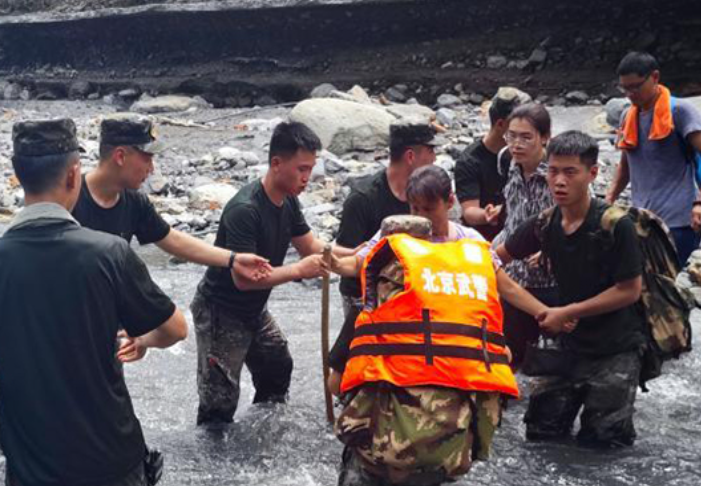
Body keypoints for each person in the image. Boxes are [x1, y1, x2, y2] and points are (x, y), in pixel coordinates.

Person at [0, 118, 188, 486]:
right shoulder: (110, 254)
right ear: (74, 173)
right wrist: (143, 341)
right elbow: (175, 329)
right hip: (112, 455)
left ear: (18, 176)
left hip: (35, 463)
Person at [323, 213, 542, 486]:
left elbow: (335, 384)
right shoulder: (465, 311)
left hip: (376, 459)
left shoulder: (372, 315)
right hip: (439, 459)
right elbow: (499, 359)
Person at [325, 165, 545, 393]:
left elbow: (505, 286)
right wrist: (335, 264)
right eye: (415, 209)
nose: (421, 217)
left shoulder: (468, 240)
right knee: (337, 382)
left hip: (452, 326)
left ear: (450, 202)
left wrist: (543, 312)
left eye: (429, 209)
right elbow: (358, 263)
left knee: (504, 354)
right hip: (402, 322)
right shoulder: (395, 234)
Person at [497, 130, 646, 448]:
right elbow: (492, 259)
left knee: (605, 443)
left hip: (614, 349)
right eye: (552, 171)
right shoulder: (544, 223)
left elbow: (629, 290)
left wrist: (568, 311)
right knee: (541, 434)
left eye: (570, 172)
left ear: (592, 174)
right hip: (565, 346)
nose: (559, 181)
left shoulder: (615, 226)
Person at [192, 121, 329, 425]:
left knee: (277, 367)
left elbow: (310, 246)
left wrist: (360, 251)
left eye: (310, 169)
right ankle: (215, 460)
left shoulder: (288, 200)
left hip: (254, 309)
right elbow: (244, 281)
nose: (307, 178)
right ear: (277, 164)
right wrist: (297, 271)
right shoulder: (246, 209)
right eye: (301, 169)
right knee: (220, 400)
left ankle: (263, 433)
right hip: (221, 310)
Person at [73, 114, 272, 287]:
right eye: (147, 158)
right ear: (120, 156)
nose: (151, 168)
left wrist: (232, 259)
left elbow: (173, 240)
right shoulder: (70, 198)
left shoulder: (134, 203)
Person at [332, 120, 440, 370]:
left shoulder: (426, 197)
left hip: (412, 286)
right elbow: (352, 257)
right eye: (430, 151)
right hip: (363, 293)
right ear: (411, 156)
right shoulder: (363, 199)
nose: (435, 158)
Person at [606, 52, 701, 266]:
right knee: (644, 282)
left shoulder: (679, 111)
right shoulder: (628, 116)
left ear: (655, 77)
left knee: (659, 280)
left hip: (679, 220)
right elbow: (626, 163)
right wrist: (609, 199)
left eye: (636, 87)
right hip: (642, 219)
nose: (630, 94)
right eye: (624, 88)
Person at [492, 101, 559, 370]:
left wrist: (549, 250)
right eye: (512, 136)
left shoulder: (559, 172)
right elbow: (514, 209)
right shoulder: (508, 162)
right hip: (512, 274)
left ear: (544, 137)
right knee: (511, 355)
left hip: (550, 279)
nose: (516, 144)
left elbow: (580, 219)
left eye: (526, 137)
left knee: (549, 363)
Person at [454, 87, 531, 241]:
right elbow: (469, 211)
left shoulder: (526, 152)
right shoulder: (470, 161)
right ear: (501, 124)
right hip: (485, 240)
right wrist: (488, 214)